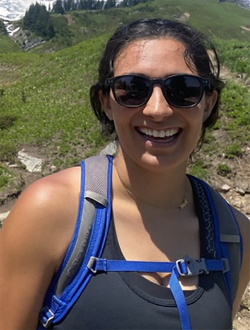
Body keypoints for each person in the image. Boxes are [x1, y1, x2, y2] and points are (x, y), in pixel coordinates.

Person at [0, 18, 249, 330]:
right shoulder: (50, 211)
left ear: (208, 103)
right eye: (133, 89)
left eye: (182, 90)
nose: (157, 109)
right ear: (106, 102)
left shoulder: (235, 236)